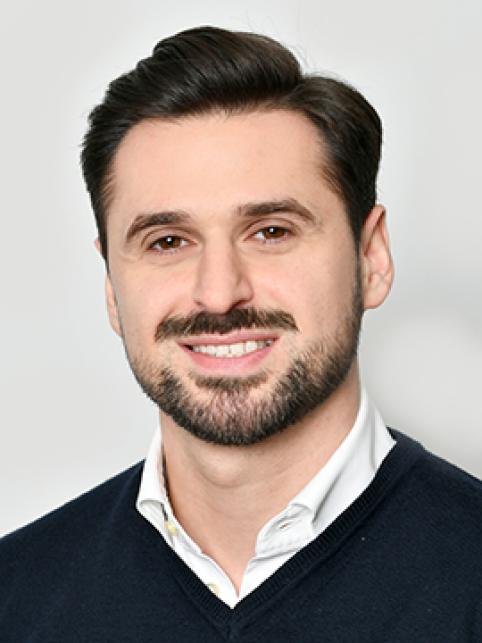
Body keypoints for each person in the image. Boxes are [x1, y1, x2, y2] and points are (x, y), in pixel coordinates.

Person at [1, 25, 481, 642]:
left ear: (371, 259)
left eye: (271, 231)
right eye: (167, 242)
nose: (220, 292)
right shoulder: (15, 598)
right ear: (112, 288)